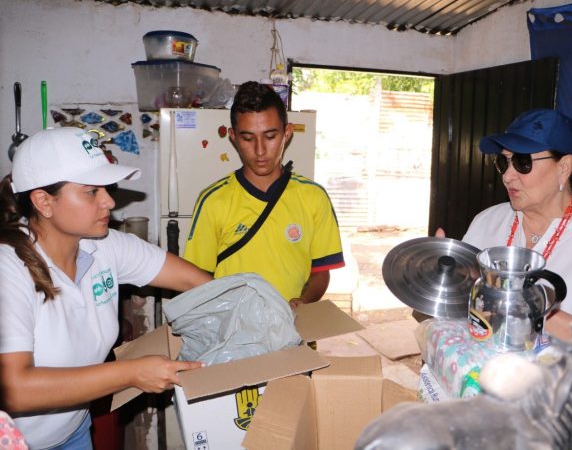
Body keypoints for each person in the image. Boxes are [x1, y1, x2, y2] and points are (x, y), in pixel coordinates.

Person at [0, 127, 213, 449]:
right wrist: (130, 373)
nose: (109, 201)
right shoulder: (7, 267)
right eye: (91, 191)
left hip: (71, 429)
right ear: (43, 201)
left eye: (107, 188)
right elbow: (14, 389)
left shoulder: (105, 246)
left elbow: (199, 282)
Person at [438, 108, 572, 339]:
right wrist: (444, 277)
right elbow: (461, 308)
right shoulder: (487, 221)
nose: (507, 176)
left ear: (564, 167)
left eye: (522, 162)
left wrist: (533, 308)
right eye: (503, 162)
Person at [183, 81, 345, 309]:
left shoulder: (313, 197)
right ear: (233, 137)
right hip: (233, 337)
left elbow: (320, 272)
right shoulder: (213, 201)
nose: (260, 150)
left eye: (270, 136)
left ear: (286, 134)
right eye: (248, 138)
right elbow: (196, 279)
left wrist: (304, 301)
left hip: (295, 332)